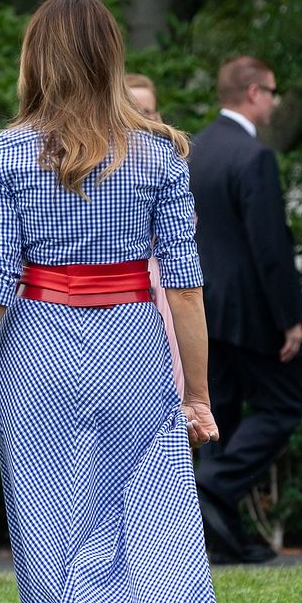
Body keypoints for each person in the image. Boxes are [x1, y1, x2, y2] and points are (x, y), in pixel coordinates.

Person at [0, 0, 240, 603]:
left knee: (50, 553)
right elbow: (183, 289)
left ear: (34, 59)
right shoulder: (160, 153)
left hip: (38, 350)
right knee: (141, 542)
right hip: (134, 354)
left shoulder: (5, 154)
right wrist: (197, 393)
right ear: (111, 56)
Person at [189, 56, 302, 564]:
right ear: (254, 92)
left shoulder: (194, 148)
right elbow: (270, 248)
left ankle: (226, 543)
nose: (276, 102)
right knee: (283, 406)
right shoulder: (253, 156)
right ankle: (211, 483)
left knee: (222, 417)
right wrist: (290, 319)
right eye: (272, 92)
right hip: (249, 311)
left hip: (202, 307)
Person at [125, 73, 184, 396]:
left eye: (149, 112)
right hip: (130, 287)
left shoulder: (169, 166)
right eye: (135, 111)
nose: (144, 120)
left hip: (167, 289)